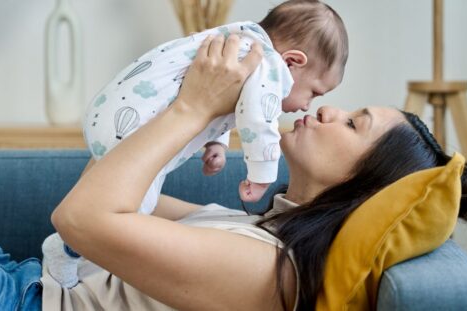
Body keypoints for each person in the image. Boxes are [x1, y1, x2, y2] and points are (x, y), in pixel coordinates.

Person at [0, 35, 467, 311]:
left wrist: (192, 109)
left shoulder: (271, 271)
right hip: (18, 275)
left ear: (364, 184)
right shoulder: (263, 228)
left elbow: (79, 217)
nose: (332, 110)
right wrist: (203, 118)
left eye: (355, 124)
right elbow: (112, 190)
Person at [51, 0, 349, 288]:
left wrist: (215, 142)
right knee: (139, 203)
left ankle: (66, 251)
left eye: (353, 124)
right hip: (129, 128)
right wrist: (261, 173)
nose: (313, 107)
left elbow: (225, 106)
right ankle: (62, 249)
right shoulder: (267, 65)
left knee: (141, 201)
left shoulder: (236, 39)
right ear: (293, 62)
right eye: (314, 92)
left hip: (109, 116)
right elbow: (259, 119)